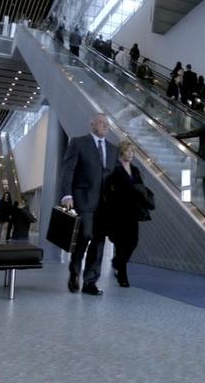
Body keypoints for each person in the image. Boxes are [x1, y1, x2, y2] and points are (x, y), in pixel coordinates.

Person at [58, 113, 118, 296]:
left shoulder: (113, 149)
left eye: (107, 124)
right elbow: (68, 169)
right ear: (92, 125)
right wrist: (67, 194)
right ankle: (75, 271)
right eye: (101, 123)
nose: (105, 126)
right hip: (83, 198)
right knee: (85, 235)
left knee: (99, 241)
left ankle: (90, 282)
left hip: (105, 204)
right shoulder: (78, 143)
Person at [103, 140, 150, 287]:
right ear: (122, 152)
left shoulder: (135, 170)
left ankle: (117, 262)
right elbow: (107, 189)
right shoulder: (115, 169)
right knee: (121, 244)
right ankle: (122, 276)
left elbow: (141, 187)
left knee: (133, 241)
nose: (130, 154)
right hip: (118, 212)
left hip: (133, 212)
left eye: (132, 152)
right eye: (128, 151)